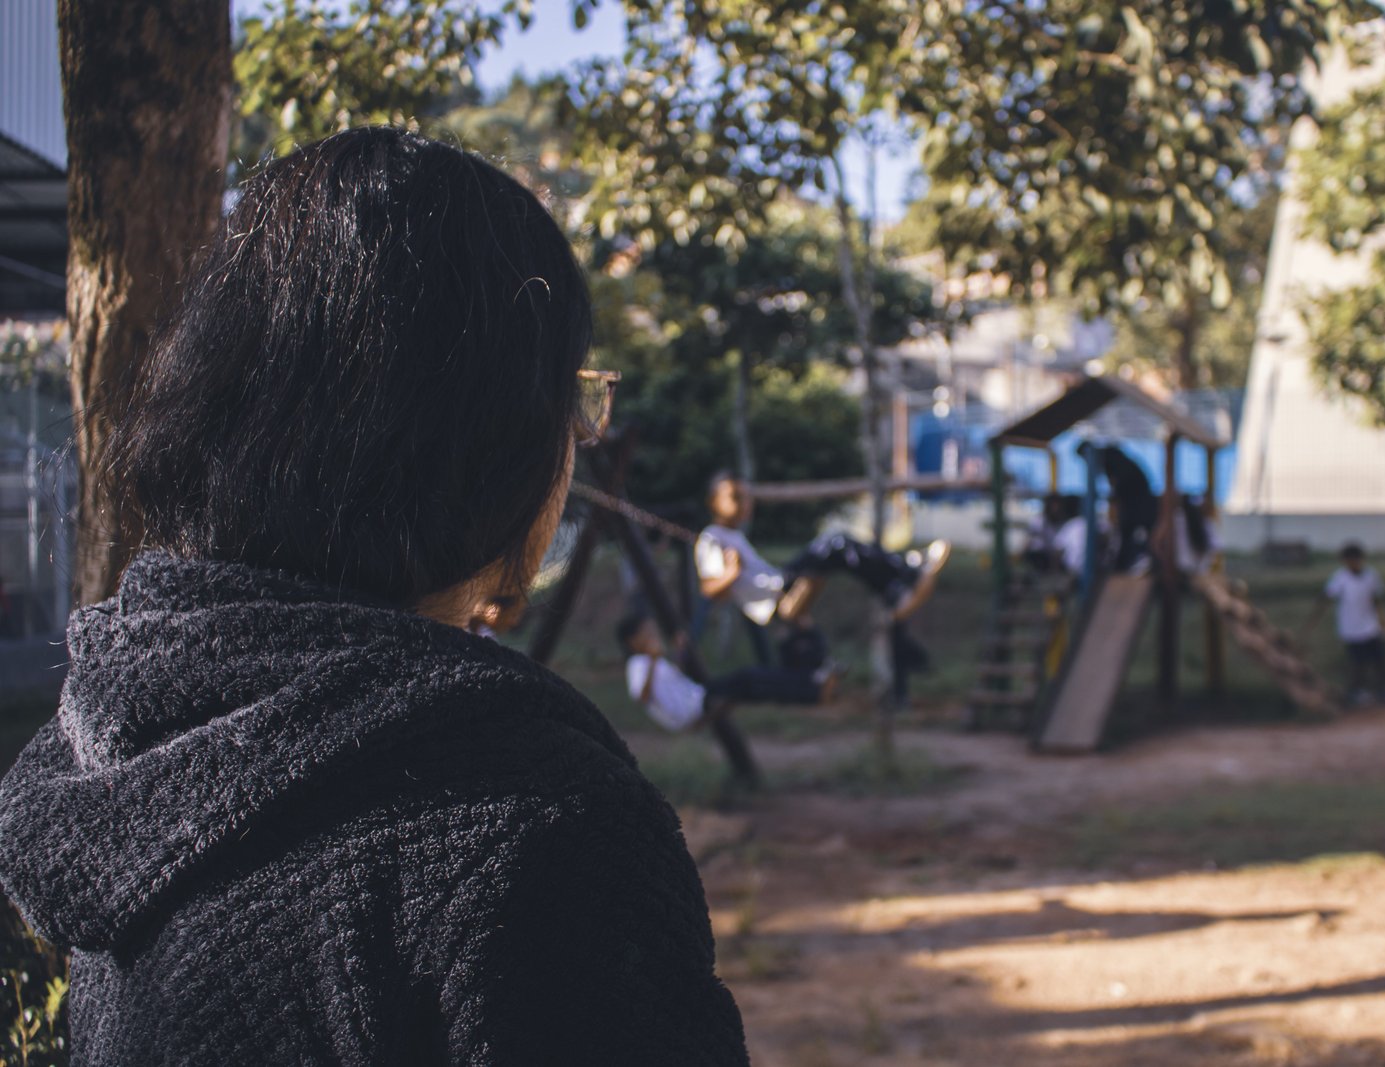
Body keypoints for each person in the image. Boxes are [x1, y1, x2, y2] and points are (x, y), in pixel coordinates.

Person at [0, 129, 747, 1065]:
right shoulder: (532, 830)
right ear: (488, 432)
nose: (578, 442)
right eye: (576, 401)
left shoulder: (119, 748)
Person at [695, 473, 949, 626]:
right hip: (776, 593)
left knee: (843, 552)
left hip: (778, 584)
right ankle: (906, 573)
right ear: (712, 502)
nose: (743, 504)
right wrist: (730, 573)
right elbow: (709, 589)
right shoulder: (711, 537)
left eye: (745, 497)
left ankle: (896, 589)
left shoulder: (732, 535)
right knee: (834, 543)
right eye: (735, 497)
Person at [619, 614, 835, 733]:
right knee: (751, 677)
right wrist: (654, 660)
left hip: (697, 698)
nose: (652, 635)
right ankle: (813, 687)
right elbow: (641, 696)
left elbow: (675, 679)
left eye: (652, 631)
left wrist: (680, 653)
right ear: (632, 641)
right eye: (647, 633)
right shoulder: (638, 664)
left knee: (756, 689)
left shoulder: (650, 661)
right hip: (693, 706)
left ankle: (812, 691)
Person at [1306, 541, 1385, 706]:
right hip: (1351, 628)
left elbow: (1376, 598)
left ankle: (1383, 690)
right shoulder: (1340, 578)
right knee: (1357, 662)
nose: (1353, 563)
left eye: (1356, 559)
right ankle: (1355, 692)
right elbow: (1327, 596)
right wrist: (1314, 618)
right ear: (1344, 561)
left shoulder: (1371, 575)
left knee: (1380, 659)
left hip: (1370, 625)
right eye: (1349, 560)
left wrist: (1381, 619)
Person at [1080, 442, 1159, 572]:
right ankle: (1127, 565)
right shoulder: (1116, 460)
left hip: (1138, 506)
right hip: (1140, 504)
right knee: (1131, 537)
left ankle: (1123, 567)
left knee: (1128, 536)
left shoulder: (1109, 461)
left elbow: (1117, 488)